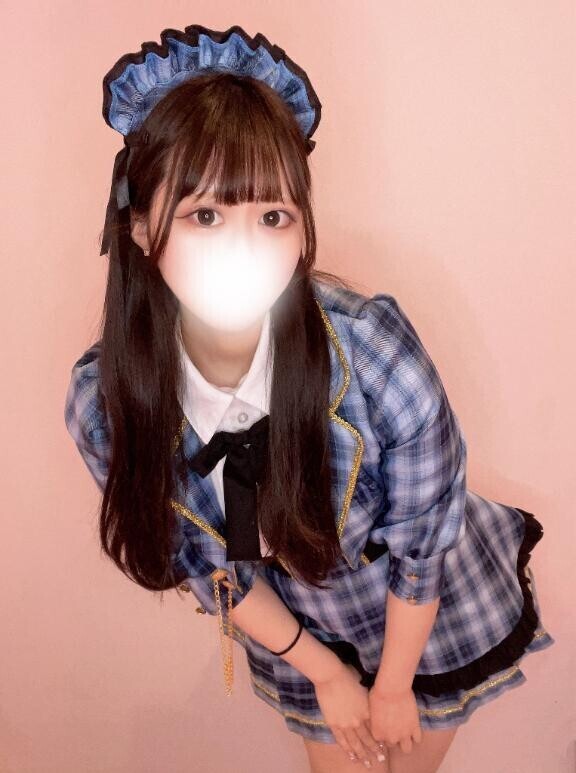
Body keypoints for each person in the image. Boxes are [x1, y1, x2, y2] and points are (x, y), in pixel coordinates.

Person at [64, 24, 555, 773]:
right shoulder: (106, 404)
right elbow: (205, 563)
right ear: (138, 225)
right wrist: (325, 673)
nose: (245, 248)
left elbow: (424, 540)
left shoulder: (373, 352)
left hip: (424, 613)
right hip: (298, 626)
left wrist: (392, 686)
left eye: (274, 217)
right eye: (204, 215)